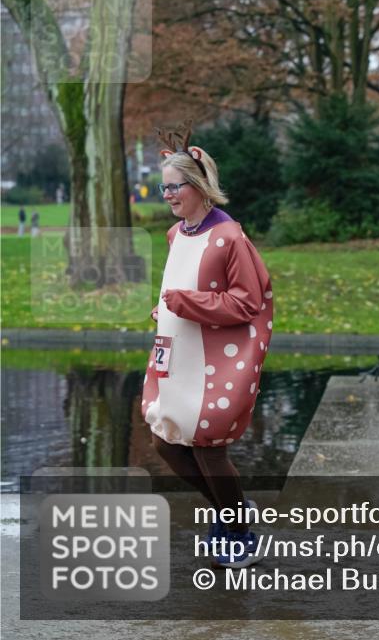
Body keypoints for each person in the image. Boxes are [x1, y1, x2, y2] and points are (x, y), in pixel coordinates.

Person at [142, 124, 274, 568]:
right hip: (177, 353)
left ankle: (239, 532)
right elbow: (181, 284)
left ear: (198, 187)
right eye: (163, 187)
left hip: (216, 359)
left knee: (207, 446)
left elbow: (248, 301)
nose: (167, 195)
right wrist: (166, 310)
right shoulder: (177, 234)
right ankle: (231, 511)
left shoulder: (230, 236)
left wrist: (186, 302)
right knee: (165, 443)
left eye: (174, 187)